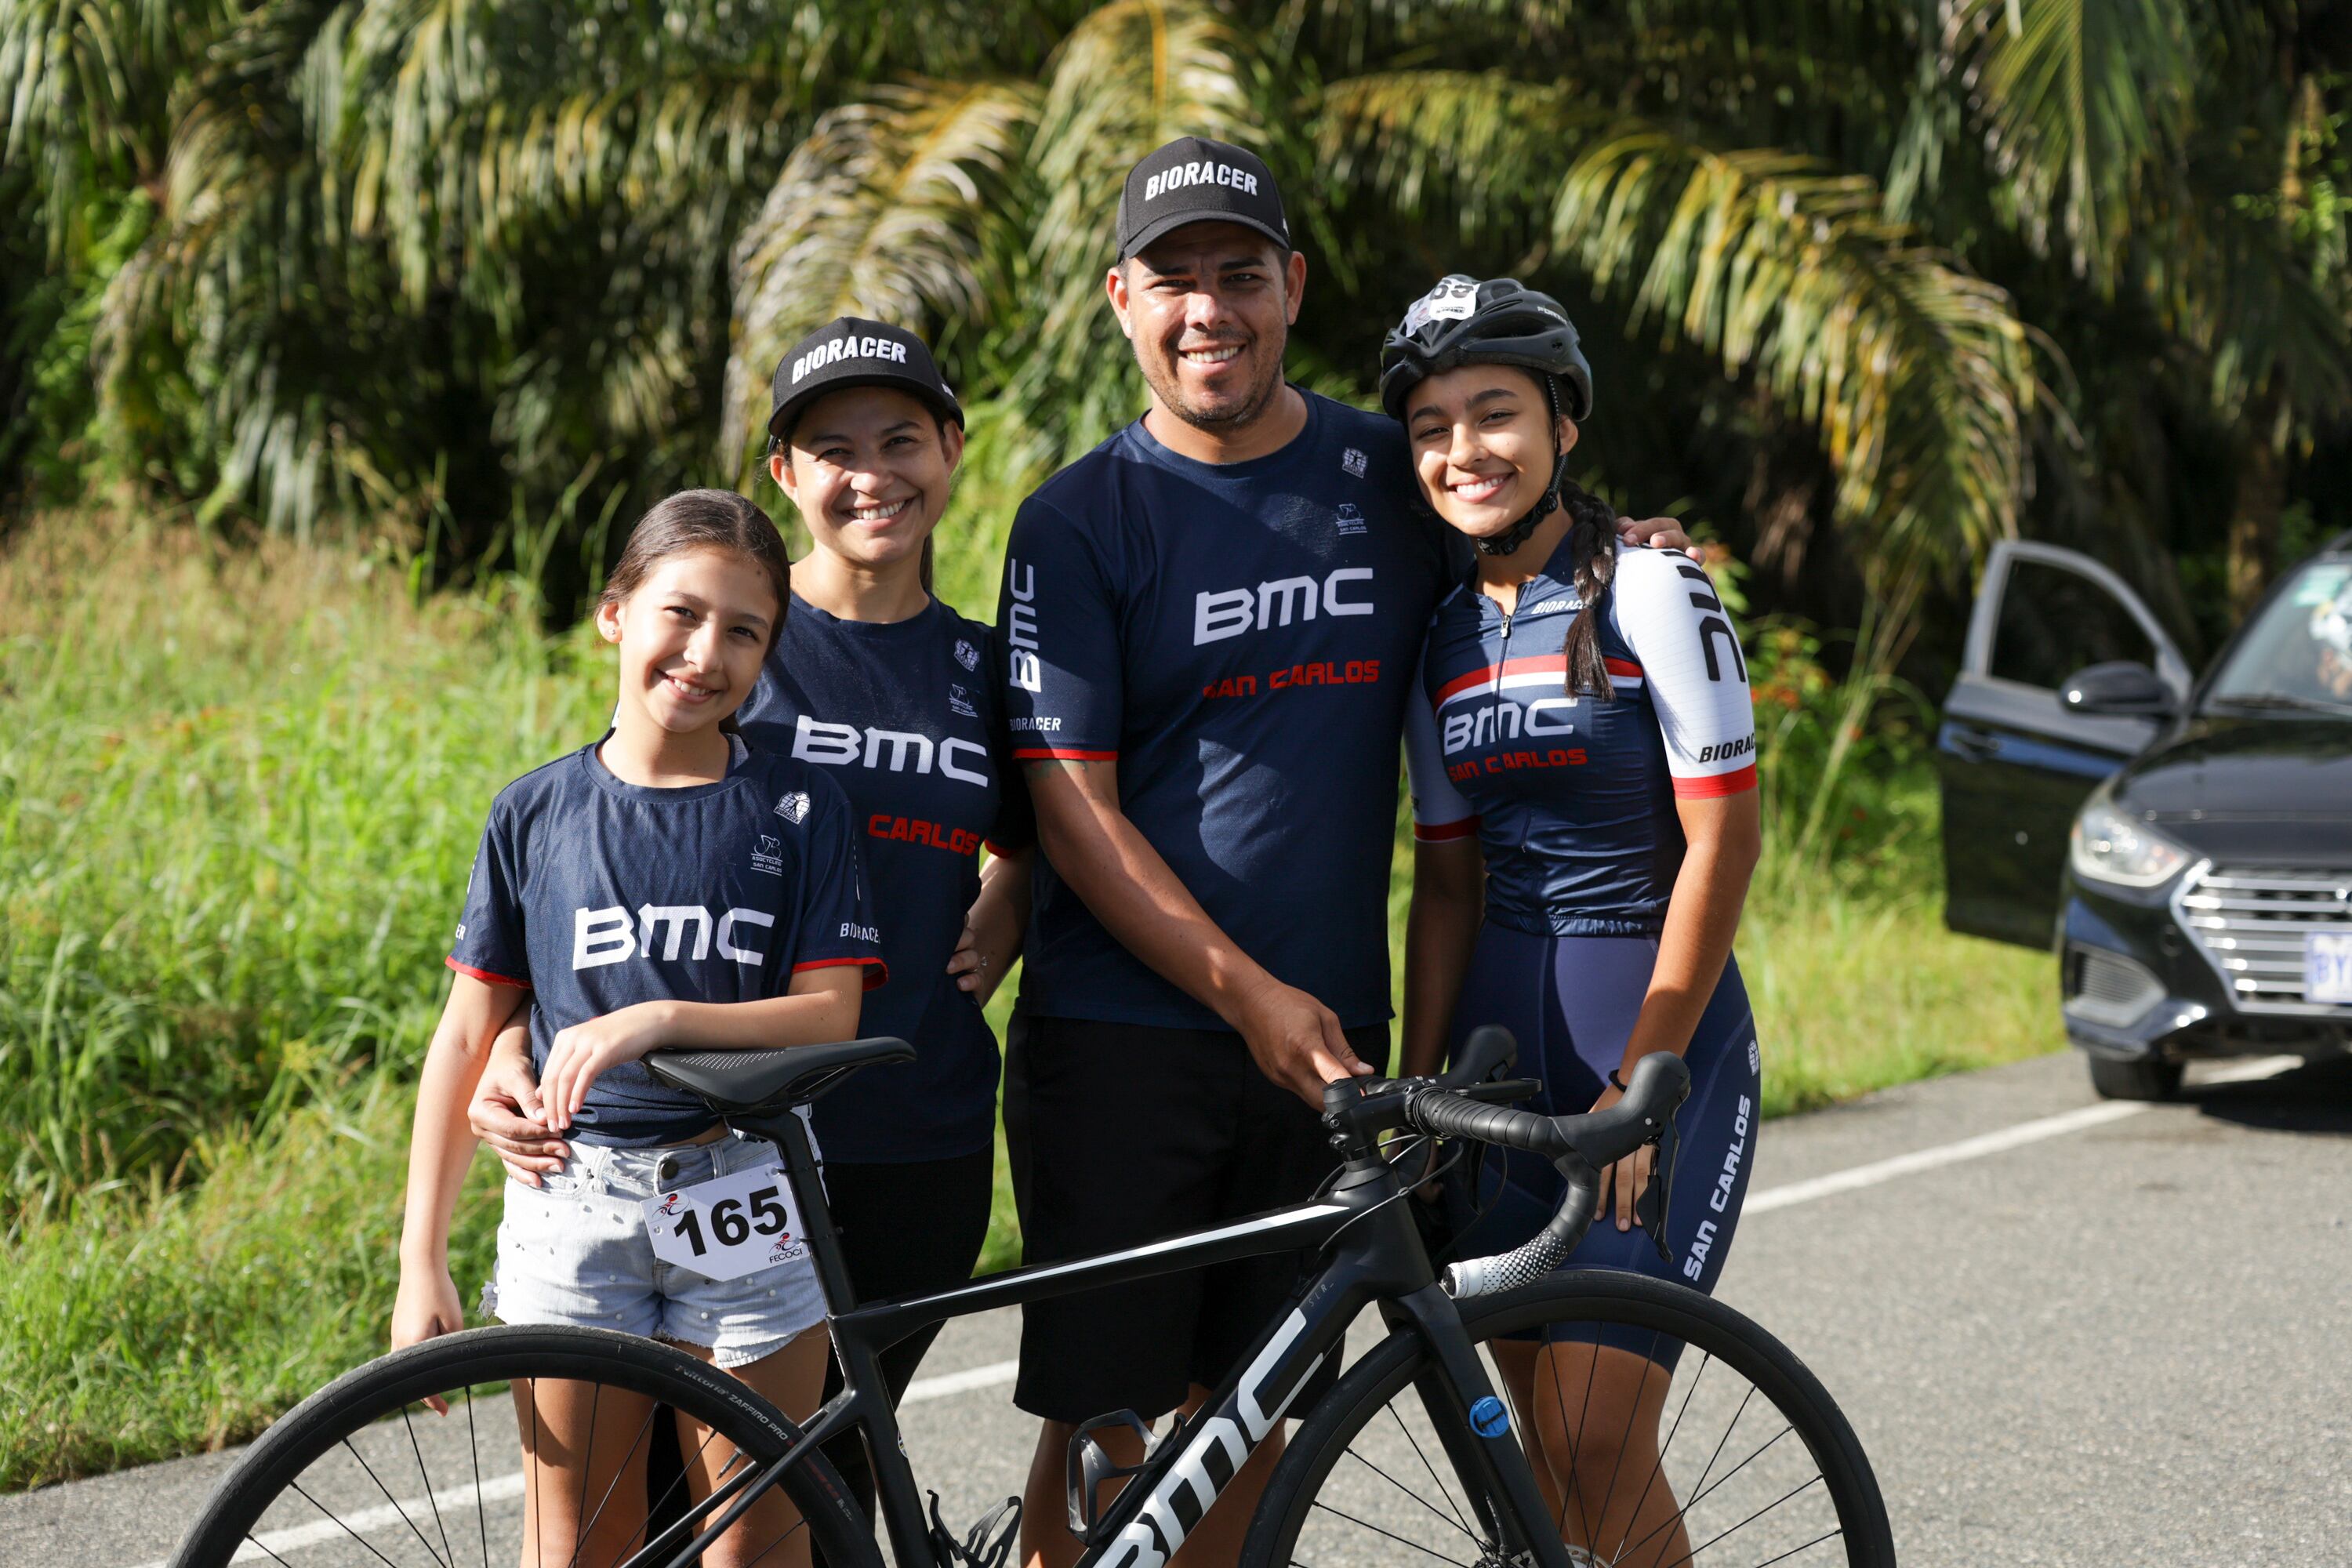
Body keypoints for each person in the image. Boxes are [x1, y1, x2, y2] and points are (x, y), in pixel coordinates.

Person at [993, 137, 1693, 1567]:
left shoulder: (1388, 470)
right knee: (1105, 1447)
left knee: (1255, 1430)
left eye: (1239, 277)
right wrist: (1244, 995)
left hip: (1335, 1046)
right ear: (1119, 298)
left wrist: (1640, 549)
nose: (1209, 313)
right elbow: (1074, 805)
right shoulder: (1074, 520)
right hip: (1122, 1037)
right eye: (1173, 281)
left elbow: (1529, 538)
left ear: (1291, 288)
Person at [470, 318, 1035, 1533]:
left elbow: (1044, 827)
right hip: (699, 1129)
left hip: (911, 1127)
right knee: (668, 1504)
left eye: (901, 439)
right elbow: (592, 854)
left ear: (951, 449)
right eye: (832, 447)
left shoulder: (989, 669)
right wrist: (504, 1043)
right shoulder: (735, 631)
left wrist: (1009, 897)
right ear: (784, 474)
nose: (871, 472)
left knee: (804, 1496)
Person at [391, 490, 887, 1568]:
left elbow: (828, 1010)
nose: (705, 652)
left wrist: (651, 1022)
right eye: (680, 612)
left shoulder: (802, 808)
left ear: (769, 651)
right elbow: (468, 1029)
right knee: (580, 1546)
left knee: (756, 1542)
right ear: (616, 613)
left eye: (744, 630)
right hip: (574, 1199)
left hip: (748, 1188)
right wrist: (418, 1258)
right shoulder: (536, 811)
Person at [1387, 275, 1763, 1568]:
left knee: (1598, 1435)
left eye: (1494, 415)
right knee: (1530, 1458)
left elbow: (1725, 837)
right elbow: (1447, 882)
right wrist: (1422, 1091)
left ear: (1565, 427)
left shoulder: (1650, 587)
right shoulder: (1440, 635)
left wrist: (1648, 1073)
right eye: (1432, 427)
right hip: (1500, 1063)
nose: (1462, 451)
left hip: (1652, 1037)